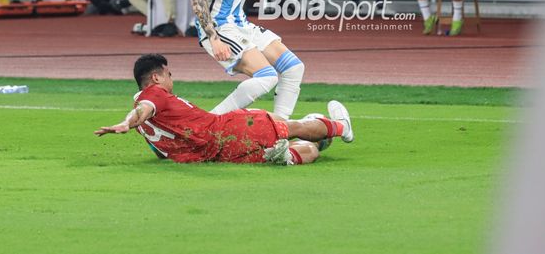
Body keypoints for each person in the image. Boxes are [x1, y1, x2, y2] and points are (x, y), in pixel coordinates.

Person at [94, 54, 354, 165]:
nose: (171, 80)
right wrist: (127, 123)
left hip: (214, 154)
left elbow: (161, 150)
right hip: (225, 130)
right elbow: (144, 109)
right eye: (168, 74)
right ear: (156, 78)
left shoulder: (148, 126)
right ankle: (341, 127)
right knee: (290, 126)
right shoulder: (154, 94)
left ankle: (294, 153)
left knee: (307, 150)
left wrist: (134, 123)